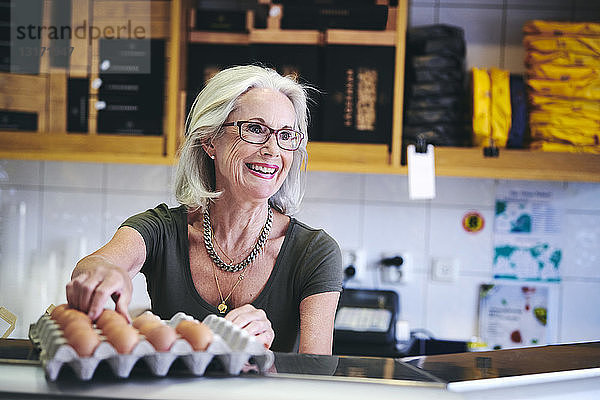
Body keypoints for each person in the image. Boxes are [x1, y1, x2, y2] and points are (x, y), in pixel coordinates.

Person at [66, 65, 343, 354]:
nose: (273, 149)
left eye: (286, 135)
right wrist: (102, 274)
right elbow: (94, 266)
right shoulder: (161, 230)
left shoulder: (314, 252)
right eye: (255, 129)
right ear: (210, 140)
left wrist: (266, 355)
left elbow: (315, 376)